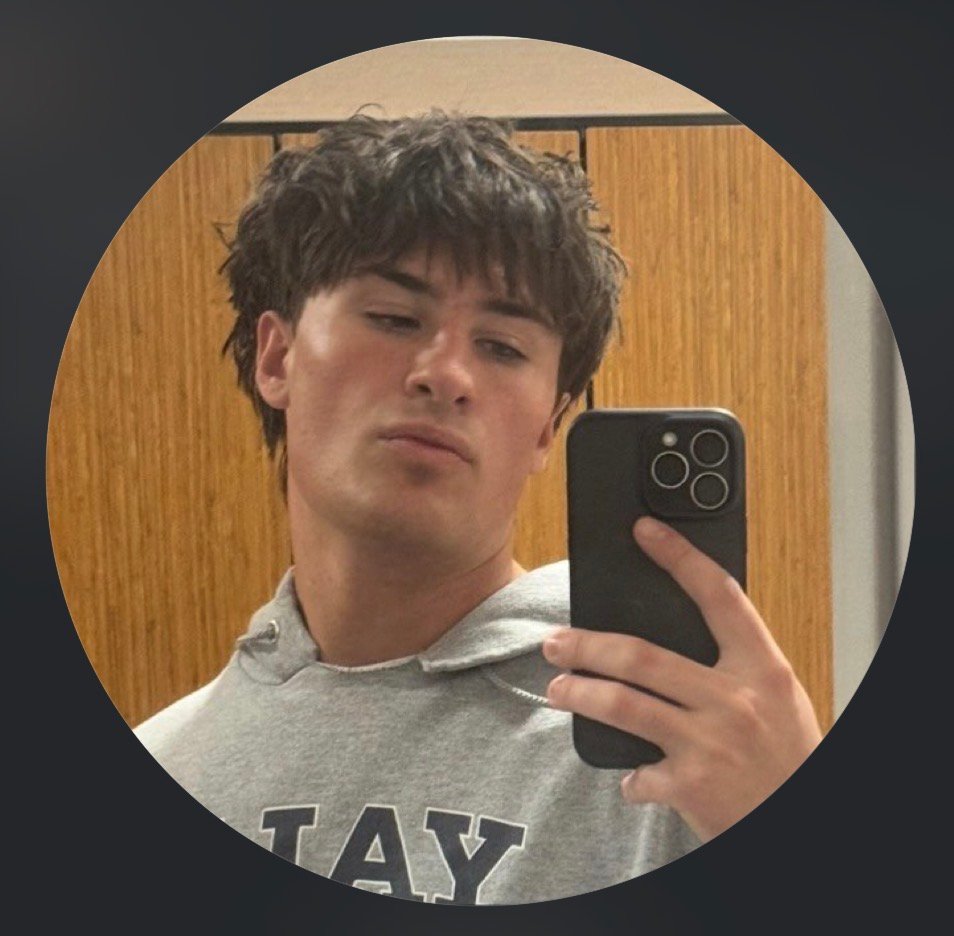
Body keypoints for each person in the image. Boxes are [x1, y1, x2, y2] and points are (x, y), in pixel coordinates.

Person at [135, 112, 822, 904]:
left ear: (547, 427)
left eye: (502, 347)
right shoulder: (169, 762)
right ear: (279, 357)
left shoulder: (679, 751)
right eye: (395, 319)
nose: (446, 374)